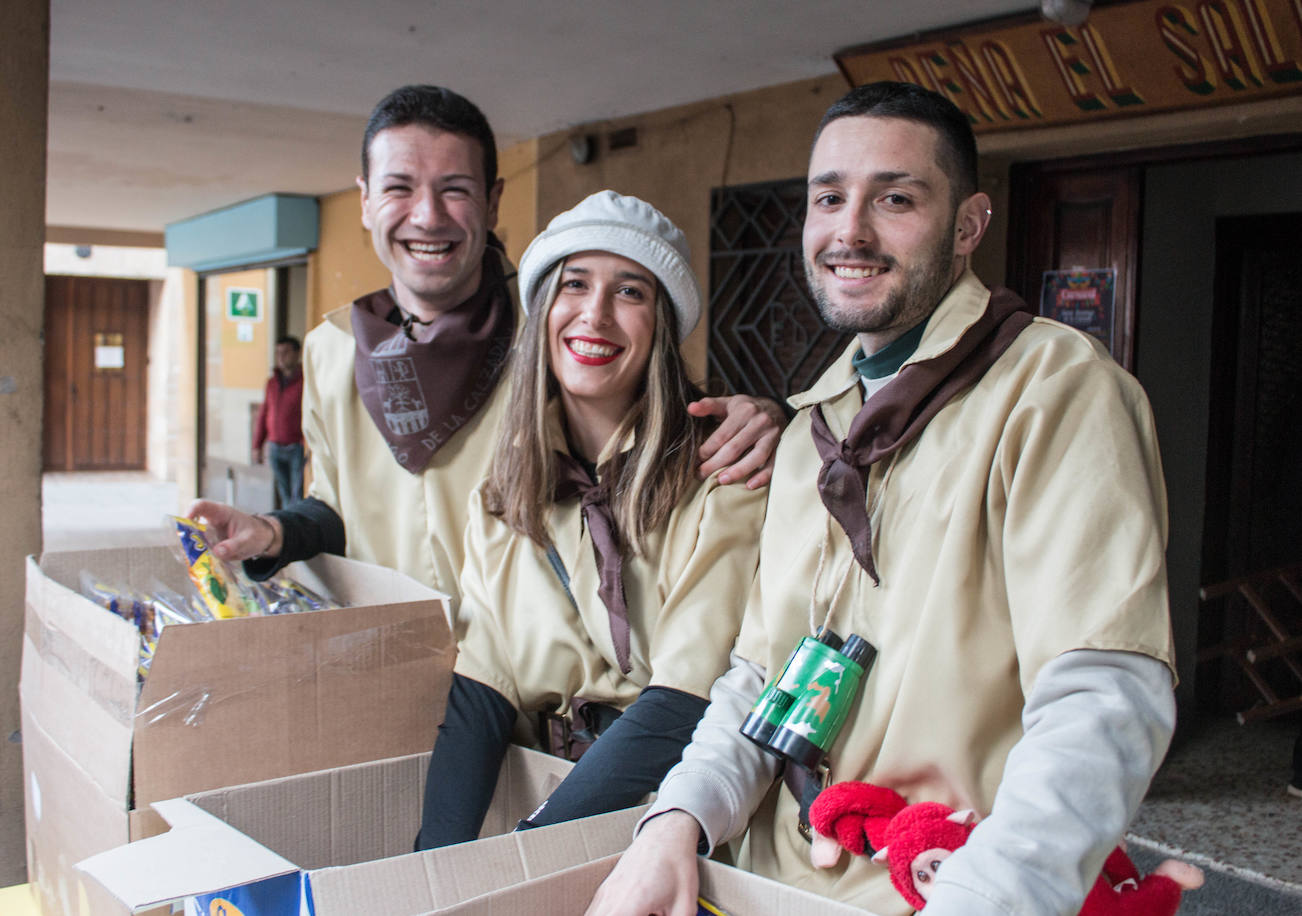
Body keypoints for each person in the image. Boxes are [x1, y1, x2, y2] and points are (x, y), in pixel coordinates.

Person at [587, 81, 1177, 916]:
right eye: (829, 197)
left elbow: (1101, 703)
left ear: (969, 225)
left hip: (941, 884)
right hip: (763, 880)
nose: (850, 231)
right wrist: (675, 821)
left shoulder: (1055, 392)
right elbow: (761, 679)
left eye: (895, 198)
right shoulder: (810, 432)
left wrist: (983, 899)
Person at [186, 85, 781, 605]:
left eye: (454, 190)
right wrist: (273, 532)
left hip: (535, 686)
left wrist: (763, 419)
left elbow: (662, 433)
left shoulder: (560, 339)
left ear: (493, 202)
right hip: (391, 659)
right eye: (399, 188)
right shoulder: (332, 348)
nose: (427, 215)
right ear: (365, 200)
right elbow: (338, 509)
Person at [415, 191, 766, 849]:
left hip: (669, 818)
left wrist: (532, 853)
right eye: (575, 284)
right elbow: (481, 693)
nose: (595, 315)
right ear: (546, 307)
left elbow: (685, 698)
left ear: (661, 323)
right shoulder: (502, 497)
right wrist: (435, 863)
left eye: (630, 291)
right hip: (547, 785)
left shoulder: (723, 476)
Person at [252, 335, 304, 508]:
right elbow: (263, 414)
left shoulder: (305, 381)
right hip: (275, 446)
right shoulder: (272, 383)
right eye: (278, 353)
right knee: (285, 495)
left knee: (297, 496)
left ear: (297, 354)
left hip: (297, 447)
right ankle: (289, 530)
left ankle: (296, 531)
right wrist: (257, 445)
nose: (281, 357)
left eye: (286, 352)